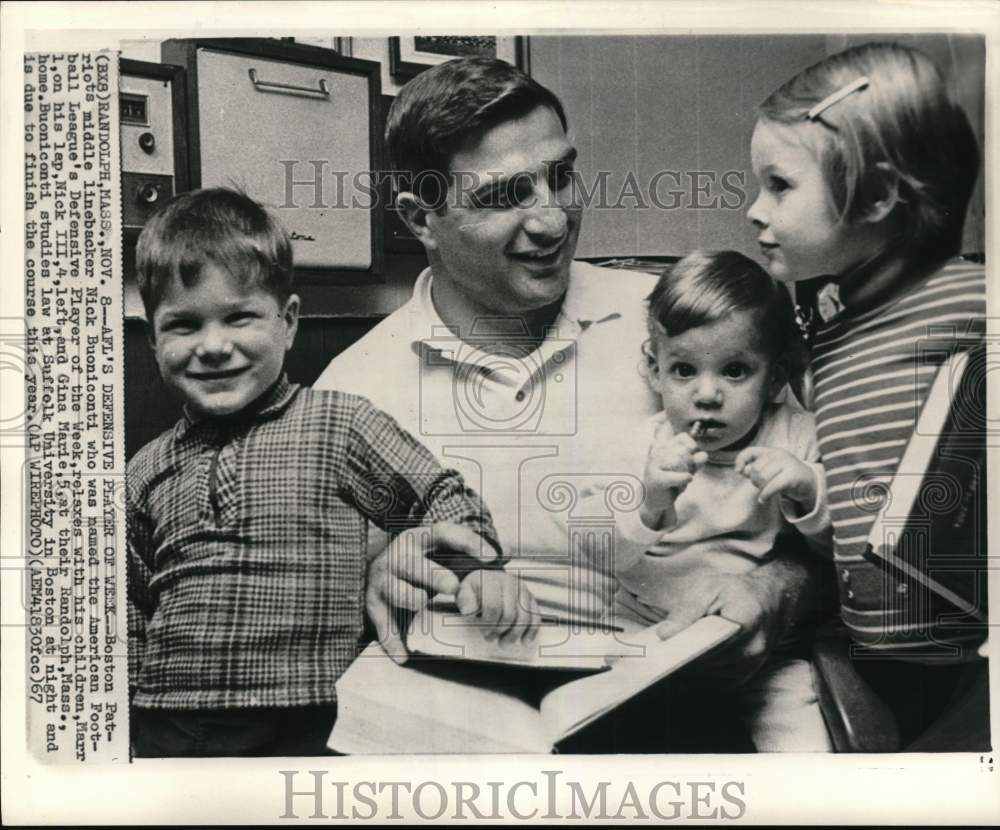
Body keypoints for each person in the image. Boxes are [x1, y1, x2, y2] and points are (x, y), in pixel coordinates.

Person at [315, 57, 835, 750]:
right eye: (505, 196)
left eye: (560, 175)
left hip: (680, 707)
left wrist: (777, 590)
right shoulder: (351, 391)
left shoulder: (682, 331)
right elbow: (312, 606)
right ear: (422, 219)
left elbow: (829, 529)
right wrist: (373, 573)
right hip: (465, 728)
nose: (554, 219)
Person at [126, 187, 537, 757]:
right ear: (152, 340)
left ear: (289, 322)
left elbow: (437, 496)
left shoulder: (338, 425)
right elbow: (125, 605)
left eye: (240, 317)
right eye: (183, 326)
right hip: (169, 723)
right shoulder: (144, 471)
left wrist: (476, 570)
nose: (213, 346)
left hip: (318, 715)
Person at [747, 41, 988, 749]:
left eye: (780, 185)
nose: (755, 210)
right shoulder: (826, 329)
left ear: (878, 196)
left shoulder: (970, 300)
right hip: (869, 651)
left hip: (968, 663)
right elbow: (857, 507)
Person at [599, 250, 833, 751]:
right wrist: (650, 504)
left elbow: (841, 552)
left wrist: (809, 490)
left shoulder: (796, 438)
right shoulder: (642, 447)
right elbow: (607, 557)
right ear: (654, 370)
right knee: (622, 732)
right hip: (647, 629)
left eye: (734, 371)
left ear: (775, 376)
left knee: (803, 737)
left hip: (762, 647)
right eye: (684, 370)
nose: (706, 396)